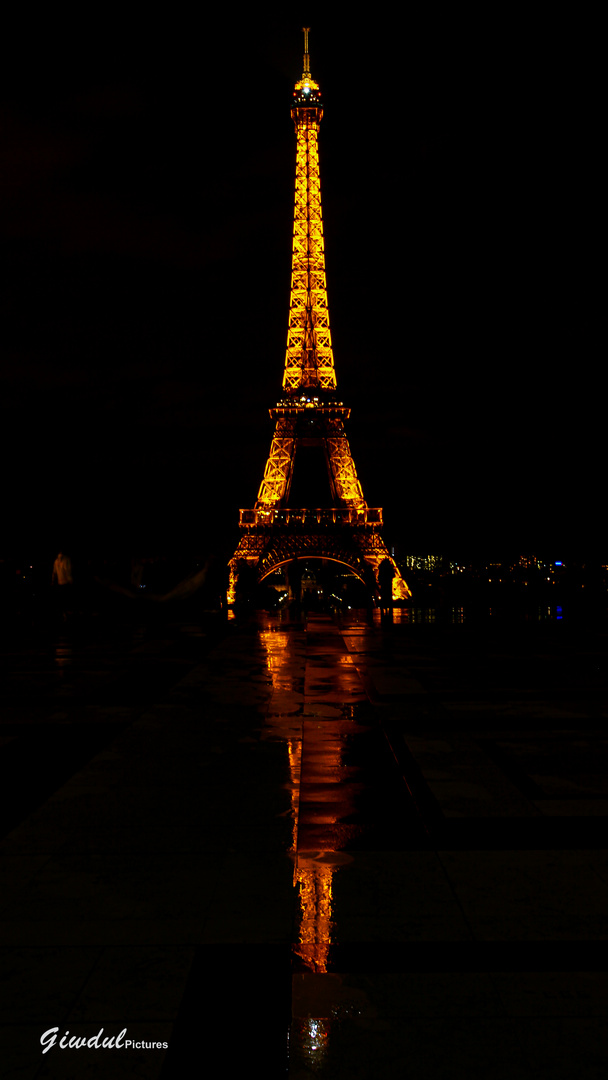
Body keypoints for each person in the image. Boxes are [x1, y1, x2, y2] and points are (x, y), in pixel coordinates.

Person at [52, 552, 73, 620]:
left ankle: (63, 613)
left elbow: (54, 572)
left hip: (59, 582)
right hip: (65, 582)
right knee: (66, 598)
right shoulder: (66, 559)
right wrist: (70, 580)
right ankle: (66, 613)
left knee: (62, 598)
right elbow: (67, 571)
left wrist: (53, 581)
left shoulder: (56, 561)